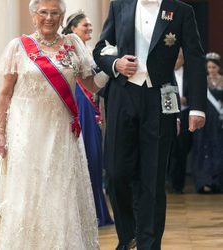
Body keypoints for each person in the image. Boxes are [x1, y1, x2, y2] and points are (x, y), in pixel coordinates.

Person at [93, 0, 207, 249]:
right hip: (123, 94)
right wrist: (116, 64)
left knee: (153, 178)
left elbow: (195, 58)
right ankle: (128, 236)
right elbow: (100, 47)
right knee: (115, 172)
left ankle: (148, 243)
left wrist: (197, 107)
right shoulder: (118, 6)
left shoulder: (182, 11)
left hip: (161, 98)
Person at [0, 0, 100, 249]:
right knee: (29, 190)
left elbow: (91, 84)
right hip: (27, 132)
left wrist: (114, 68)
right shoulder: (18, 47)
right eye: (43, 12)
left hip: (61, 131)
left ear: (63, 17)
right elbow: (5, 94)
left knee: (60, 189)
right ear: (33, 16)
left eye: (55, 13)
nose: (49, 17)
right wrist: (0, 132)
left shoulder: (73, 45)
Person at [62, 11, 113, 227]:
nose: (90, 29)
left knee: (94, 159)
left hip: (92, 107)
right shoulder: (69, 49)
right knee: (85, 156)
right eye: (85, 25)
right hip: (79, 106)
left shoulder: (91, 51)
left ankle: (97, 212)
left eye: (91, 25)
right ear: (73, 29)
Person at [192, 52, 223, 194]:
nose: (211, 70)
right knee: (204, 150)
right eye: (209, 67)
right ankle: (205, 182)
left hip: (219, 121)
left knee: (218, 149)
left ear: (218, 68)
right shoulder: (202, 81)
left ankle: (217, 183)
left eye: (214, 67)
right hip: (206, 121)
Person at [167, 49, 193, 194]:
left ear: (182, 60)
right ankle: (168, 180)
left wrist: (186, 100)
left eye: (178, 59)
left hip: (185, 114)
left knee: (182, 150)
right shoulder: (165, 72)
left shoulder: (189, 74)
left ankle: (179, 184)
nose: (175, 61)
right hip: (170, 114)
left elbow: (195, 92)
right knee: (169, 149)